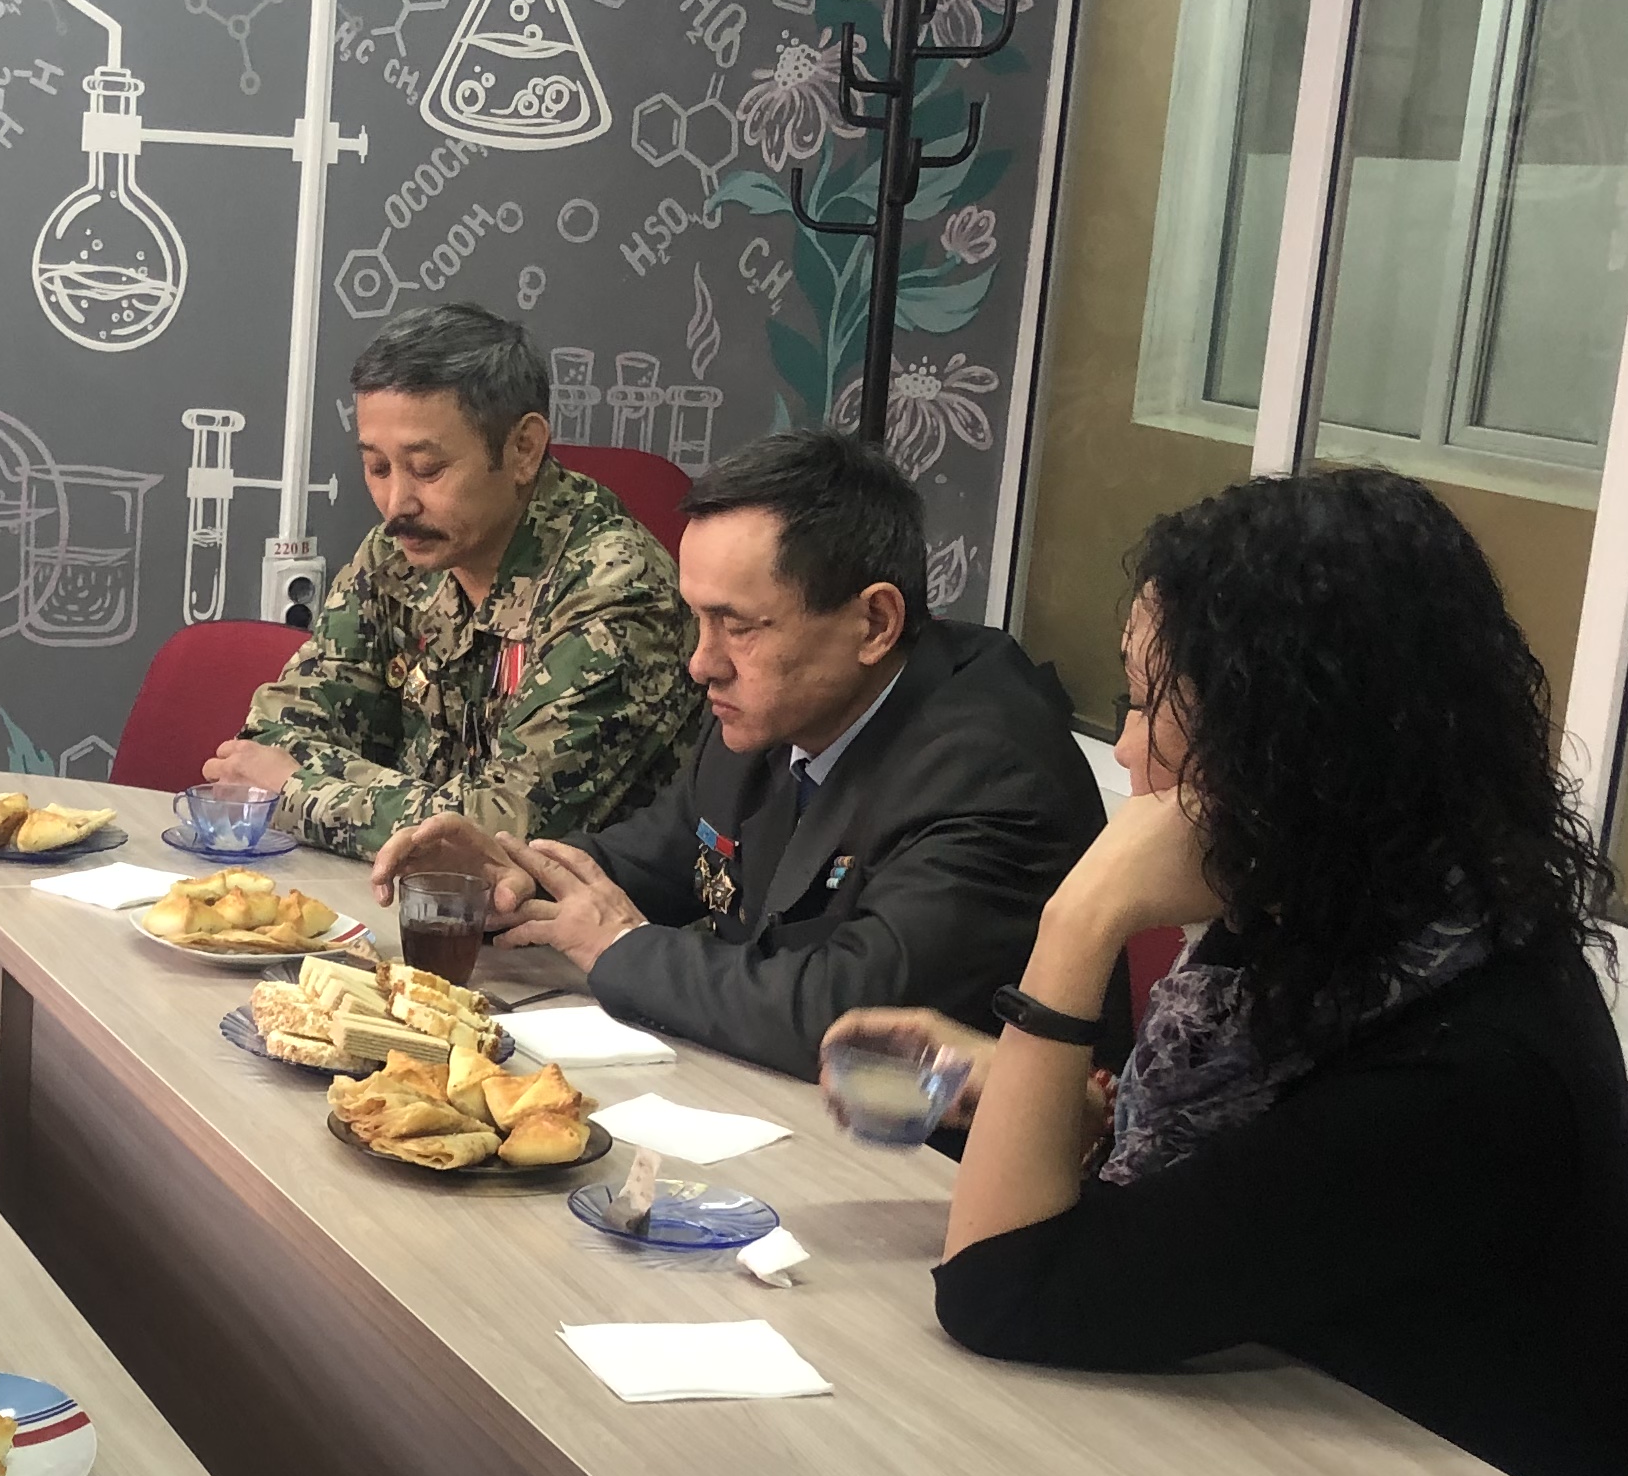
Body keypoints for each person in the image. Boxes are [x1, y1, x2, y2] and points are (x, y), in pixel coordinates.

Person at [842, 467, 1628, 1476]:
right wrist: (1049, 1097)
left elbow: (1002, 1291)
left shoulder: (1468, 1069)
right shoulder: (1356, 927)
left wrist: (1075, 925)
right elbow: (1210, 1199)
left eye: (1152, 707)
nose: (1124, 748)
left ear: (1291, 746)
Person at [367, 428, 1098, 1071]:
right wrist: (513, 876)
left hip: (929, 1159)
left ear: (874, 623)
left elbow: (847, 1012)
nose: (701, 662)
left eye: (738, 626)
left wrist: (621, 948)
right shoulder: (769, 715)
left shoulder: (991, 771)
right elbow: (653, 856)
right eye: (698, 620)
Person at [205, 302, 698, 855]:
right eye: (377, 467)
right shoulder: (395, 556)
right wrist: (380, 798)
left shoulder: (615, 592)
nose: (397, 503)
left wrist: (298, 790)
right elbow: (272, 734)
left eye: (427, 468)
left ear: (523, 449)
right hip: (396, 890)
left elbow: (505, 833)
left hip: (572, 907)